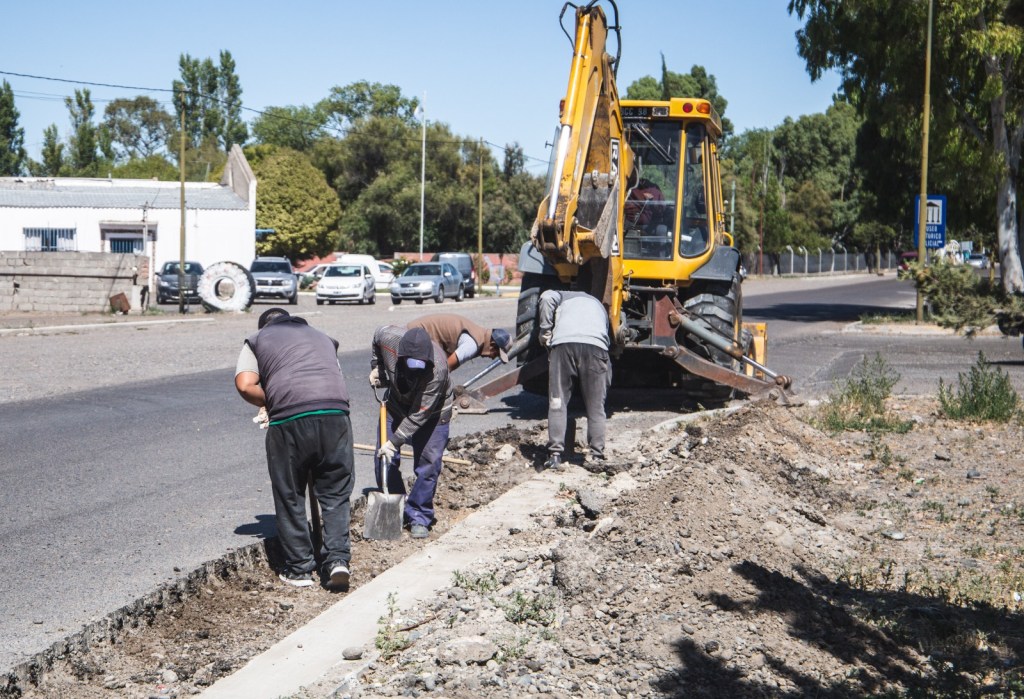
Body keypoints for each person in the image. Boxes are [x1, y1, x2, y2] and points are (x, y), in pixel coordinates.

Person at [234, 308, 355, 589]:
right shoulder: (324, 338)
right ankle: (337, 560)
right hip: (336, 415)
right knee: (336, 493)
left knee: (290, 493)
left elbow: (245, 385)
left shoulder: (258, 339)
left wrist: (272, 400)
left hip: (290, 419)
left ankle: (300, 569)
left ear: (264, 326)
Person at [369, 325, 454, 539]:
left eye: (420, 366)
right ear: (400, 355)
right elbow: (377, 336)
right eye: (411, 365)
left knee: (429, 464)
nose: (416, 370)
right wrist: (378, 367)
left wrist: (395, 441)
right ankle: (395, 507)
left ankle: (419, 515)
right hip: (397, 404)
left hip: (433, 413)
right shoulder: (388, 337)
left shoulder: (437, 370)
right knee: (384, 460)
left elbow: (419, 414)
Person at [537, 290, 612, 470]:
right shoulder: (599, 307)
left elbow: (546, 297)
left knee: (557, 403)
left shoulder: (561, 295)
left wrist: (545, 332)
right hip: (597, 348)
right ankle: (596, 456)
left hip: (564, 346)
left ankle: (555, 456)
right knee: (596, 407)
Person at [408, 313, 512, 371]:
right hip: (415, 335)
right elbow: (445, 368)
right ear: (492, 345)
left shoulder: (478, 335)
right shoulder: (472, 345)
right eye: (496, 354)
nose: (493, 358)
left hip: (417, 334)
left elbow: (450, 366)